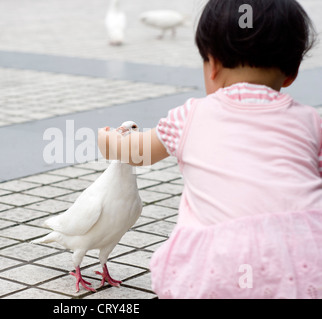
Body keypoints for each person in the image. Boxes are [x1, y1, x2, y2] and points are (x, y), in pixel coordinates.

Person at [98, 0, 322, 299]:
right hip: (306, 257)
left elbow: (137, 151)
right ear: (292, 71)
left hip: (220, 266)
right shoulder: (311, 121)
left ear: (212, 64)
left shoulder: (189, 116)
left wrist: (108, 139)